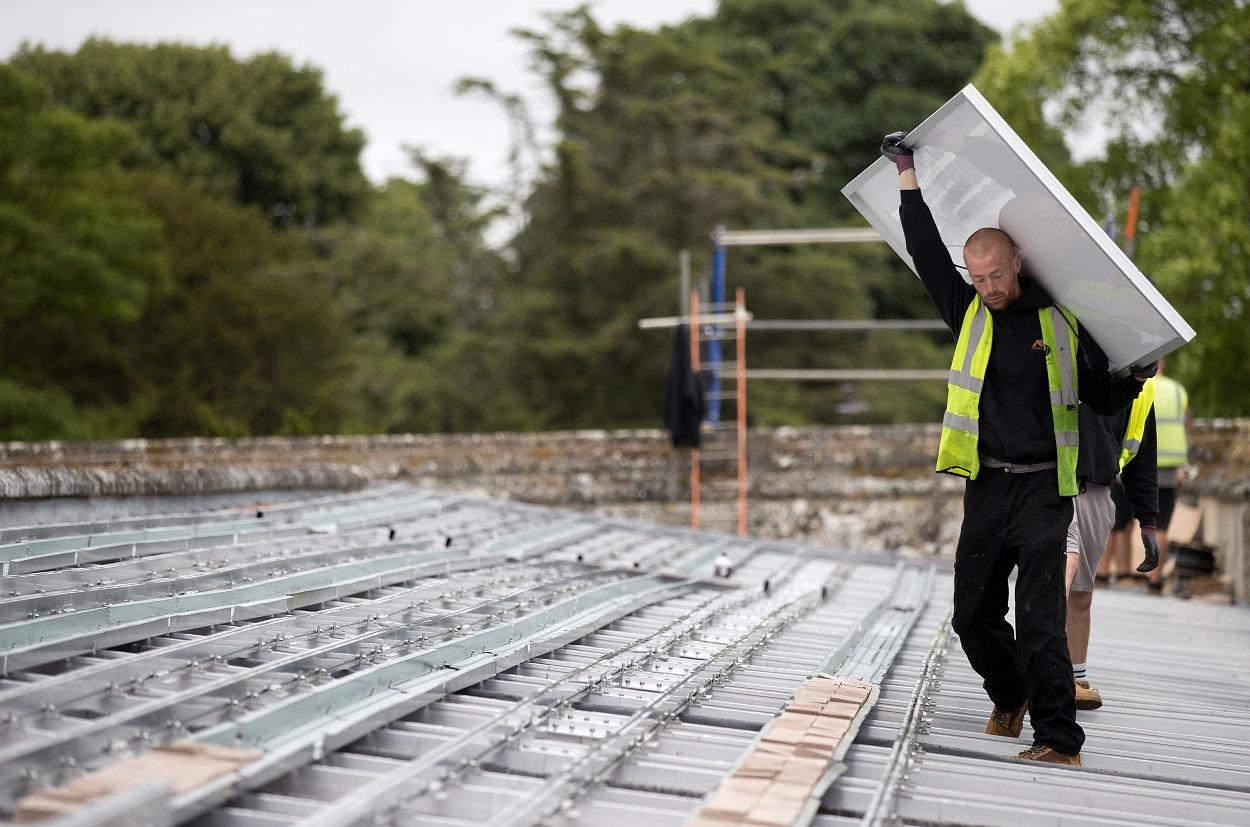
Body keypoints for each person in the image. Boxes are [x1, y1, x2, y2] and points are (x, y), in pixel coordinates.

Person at [881, 131, 1149, 767]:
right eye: (977, 277)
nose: (987, 286)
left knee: (1039, 619)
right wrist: (906, 175)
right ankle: (1011, 693)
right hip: (987, 483)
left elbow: (1103, 401)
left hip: (1043, 489)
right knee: (970, 616)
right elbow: (924, 252)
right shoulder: (969, 310)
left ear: (1018, 264)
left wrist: (1132, 377)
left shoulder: (1060, 320)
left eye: (996, 275)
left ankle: (1059, 739)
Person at [1065, 380, 1159, 711]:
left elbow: (1143, 458)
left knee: (1081, 595)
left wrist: (1147, 522)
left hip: (1096, 489)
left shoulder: (1140, 385)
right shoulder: (1069, 344)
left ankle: (1073, 678)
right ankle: (1043, 673)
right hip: (1048, 481)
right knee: (1064, 569)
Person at [1150, 360, 1191, 593]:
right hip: (1171, 466)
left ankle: (1121, 572)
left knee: (1123, 524)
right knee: (1162, 526)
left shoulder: (1143, 386)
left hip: (1143, 465)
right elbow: (1185, 425)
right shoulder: (1178, 390)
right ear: (1163, 364)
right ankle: (1156, 579)